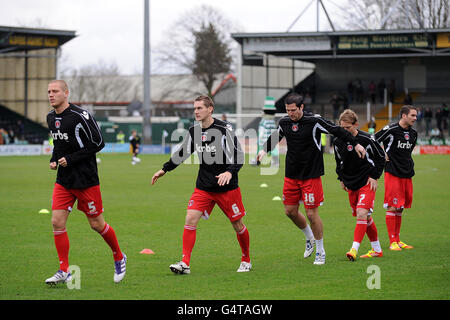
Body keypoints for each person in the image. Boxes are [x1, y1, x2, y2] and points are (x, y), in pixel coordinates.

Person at [257, 93, 367, 265]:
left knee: (311, 213)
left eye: (293, 110)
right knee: (290, 211)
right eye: (287, 110)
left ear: (301, 108)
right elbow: (277, 136)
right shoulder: (285, 122)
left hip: (311, 175)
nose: (290, 113)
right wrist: (264, 150)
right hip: (292, 174)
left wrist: (356, 143)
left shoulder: (314, 121)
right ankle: (309, 238)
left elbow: (336, 130)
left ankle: (320, 250)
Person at [151, 95, 251, 274]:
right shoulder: (194, 131)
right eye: (194, 108)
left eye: (199, 108)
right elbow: (183, 153)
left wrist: (229, 172)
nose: (196, 112)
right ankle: (185, 263)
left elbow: (239, 156)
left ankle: (246, 259)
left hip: (227, 188)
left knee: (237, 224)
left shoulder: (224, 129)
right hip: (204, 187)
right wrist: (164, 169)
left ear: (210, 109)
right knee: (190, 218)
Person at [45, 80, 126, 285]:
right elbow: (59, 144)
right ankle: (64, 270)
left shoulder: (80, 116)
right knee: (56, 222)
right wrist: (54, 159)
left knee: (96, 224)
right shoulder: (50, 117)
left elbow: (99, 143)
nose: (51, 95)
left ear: (66, 93)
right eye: (49, 92)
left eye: (55, 91)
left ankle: (119, 256)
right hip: (64, 181)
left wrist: (70, 159)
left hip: (86, 180)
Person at [333, 109, 386, 261]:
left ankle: (353, 249)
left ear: (356, 125)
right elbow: (339, 162)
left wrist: (375, 177)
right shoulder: (338, 142)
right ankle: (377, 249)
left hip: (366, 182)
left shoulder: (367, 139)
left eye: (348, 128)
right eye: (342, 128)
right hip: (351, 183)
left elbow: (381, 157)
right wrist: (341, 179)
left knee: (362, 213)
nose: (345, 131)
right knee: (366, 217)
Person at [375, 105, 417, 251]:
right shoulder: (391, 130)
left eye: (416, 116)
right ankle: (392, 241)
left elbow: (409, 151)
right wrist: (382, 154)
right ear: (404, 116)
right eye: (412, 115)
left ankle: (398, 240)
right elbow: (373, 139)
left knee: (400, 207)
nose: (415, 118)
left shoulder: (414, 134)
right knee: (393, 205)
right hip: (392, 172)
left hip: (407, 173)